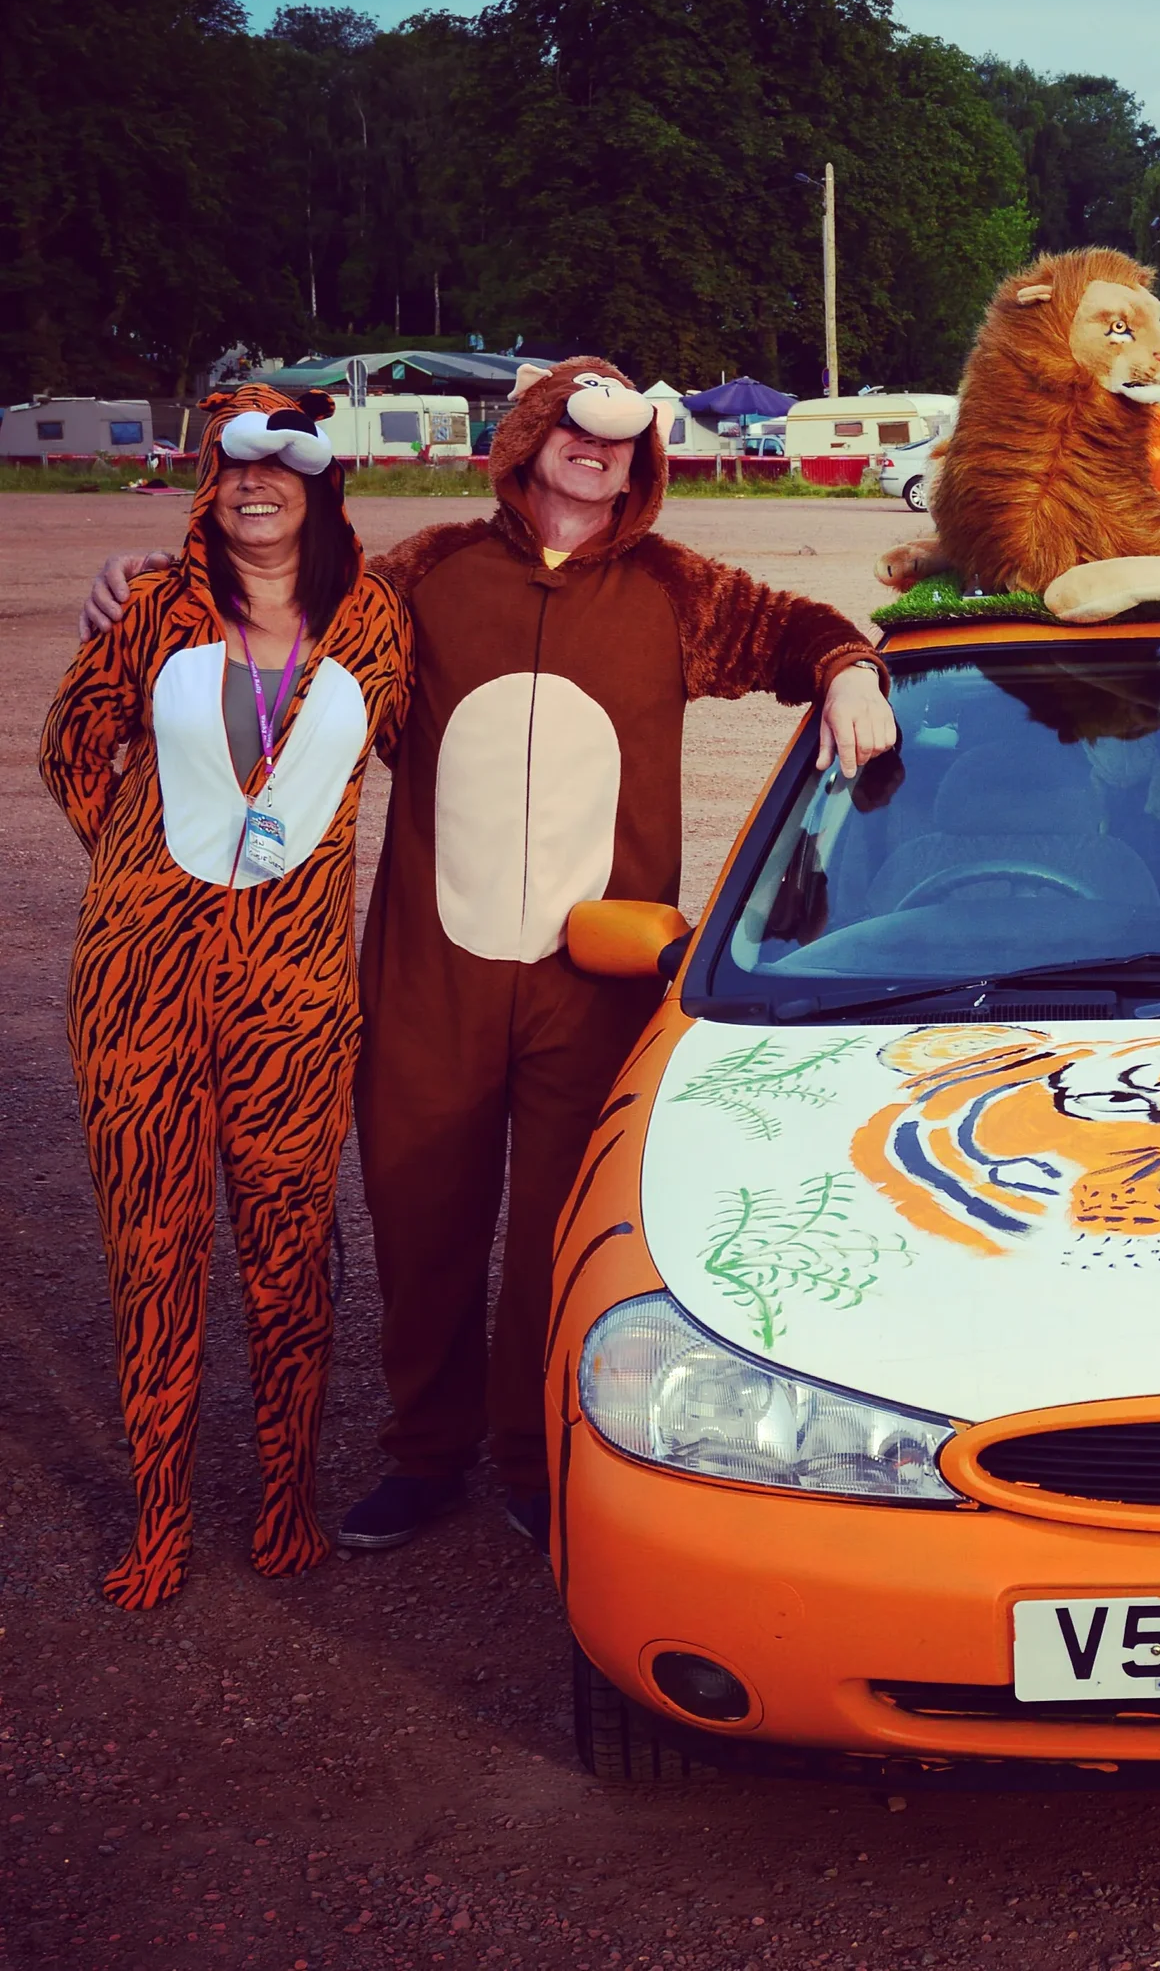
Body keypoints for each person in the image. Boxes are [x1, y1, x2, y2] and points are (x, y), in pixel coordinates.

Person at [83, 357, 896, 1557]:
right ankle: (424, 1451)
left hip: (596, 975)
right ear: (526, 441)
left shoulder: (675, 588)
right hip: (431, 968)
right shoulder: (426, 572)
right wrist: (148, 578)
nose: (596, 453)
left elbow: (797, 629)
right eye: (573, 431)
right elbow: (278, 598)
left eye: (619, 442)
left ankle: (533, 1450)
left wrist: (848, 669)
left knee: (563, 1230)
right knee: (421, 1212)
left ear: (643, 462)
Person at [42, 387, 410, 1609]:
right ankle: (159, 1519)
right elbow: (69, 744)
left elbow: (421, 748)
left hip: (294, 994)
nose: (256, 489)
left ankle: (286, 1501)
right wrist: (147, 863)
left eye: (281, 469)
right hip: (138, 982)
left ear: (319, 485)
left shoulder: (373, 625)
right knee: (151, 1250)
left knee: (290, 1250)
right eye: (234, 468)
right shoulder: (151, 605)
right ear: (212, 480)